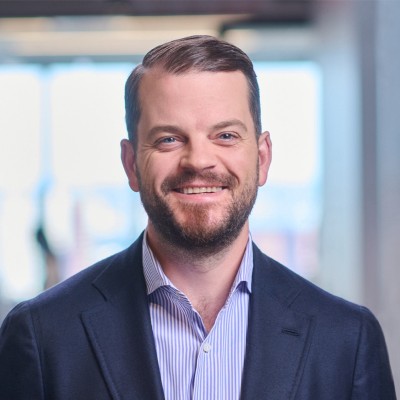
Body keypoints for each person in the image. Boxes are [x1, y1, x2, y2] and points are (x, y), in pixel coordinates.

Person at [0, 35, 396, 400]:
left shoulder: (347, 340)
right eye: (169, 139)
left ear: (262, 158)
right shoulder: (42, 335)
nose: (199, 161)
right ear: (131, 164)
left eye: (225, 136)